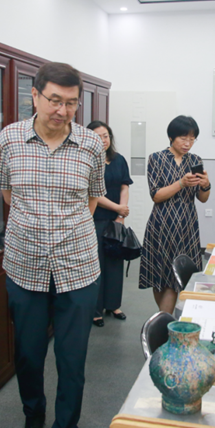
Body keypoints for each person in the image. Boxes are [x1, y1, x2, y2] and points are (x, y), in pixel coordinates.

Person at [0, 62, 105, 428]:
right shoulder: (10, 139)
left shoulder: (90, 144)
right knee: (27, 354)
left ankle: (66, 425)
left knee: (72, 359)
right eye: (55, 100)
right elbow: (8, 194)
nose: (62, 110)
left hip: (78, 266)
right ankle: (33, 415)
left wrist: (66, 229)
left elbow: (92, 198)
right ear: (35, 96)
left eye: (71, 103)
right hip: (25, 264)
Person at [139, 116, 211, 314]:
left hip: (187, 224)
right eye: (183, 138)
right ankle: (165, 319)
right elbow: (156, 195)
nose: (188, 143)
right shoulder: (156, 158)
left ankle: (164, 321)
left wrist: (205, 185)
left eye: (192, 139)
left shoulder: (195, 160)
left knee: (176, 277)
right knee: (159, 277)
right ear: (171, 137)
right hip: (162, 223)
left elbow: (203, 199)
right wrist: (181, 183)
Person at [87, 120, 133, 328]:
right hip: (95, 219)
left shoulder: (118, 159)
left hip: (116, 220)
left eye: (105, 136)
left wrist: (121, 215)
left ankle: (113, 305)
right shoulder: (87, 160)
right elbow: (93, 193)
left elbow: (125, 186)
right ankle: (96, 310)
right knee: (96, 265)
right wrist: (118, 208)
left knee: (115, 262)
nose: (103, 140)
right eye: (97, 137)